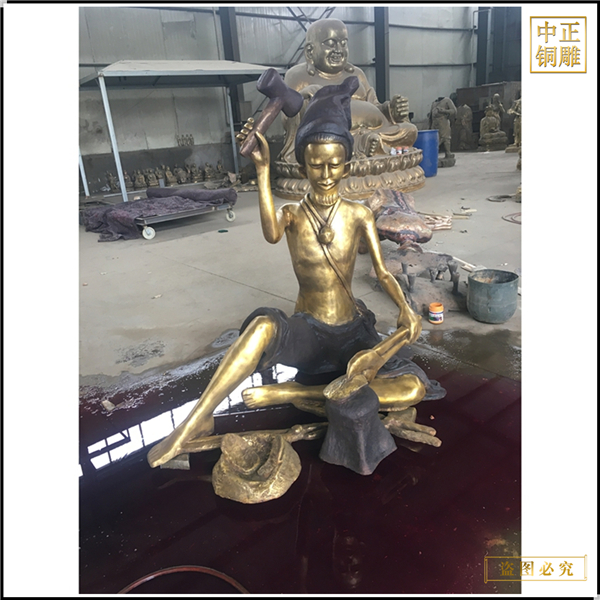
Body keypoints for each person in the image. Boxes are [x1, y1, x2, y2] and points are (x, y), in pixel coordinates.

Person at [148, 77, 441, 469]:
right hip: (310, 330)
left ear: (347, 165)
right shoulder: (292, 214)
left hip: (352, 332)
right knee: (261, 327)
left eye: (334, 165)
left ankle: (290, 394)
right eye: (316, 165)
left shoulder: (358, 214)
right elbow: (271, 233)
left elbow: (383, 272)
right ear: (303, 165)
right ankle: (195, 421)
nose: (325, 174)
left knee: (412, 387)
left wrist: (405, 308)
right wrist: (263, 170)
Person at [279, 18, 417, 162]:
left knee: (409, 130)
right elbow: (288, 119)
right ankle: (360, 144)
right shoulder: (298, 76)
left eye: (344, 43)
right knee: (326, 143)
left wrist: (391, 111)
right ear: (310, 51)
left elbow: (375, 105)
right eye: (331, 44)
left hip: (374, 129)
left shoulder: (357, 74)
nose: (339, 50)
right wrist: (307, 99)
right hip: (331, 137)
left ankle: (366, 143)